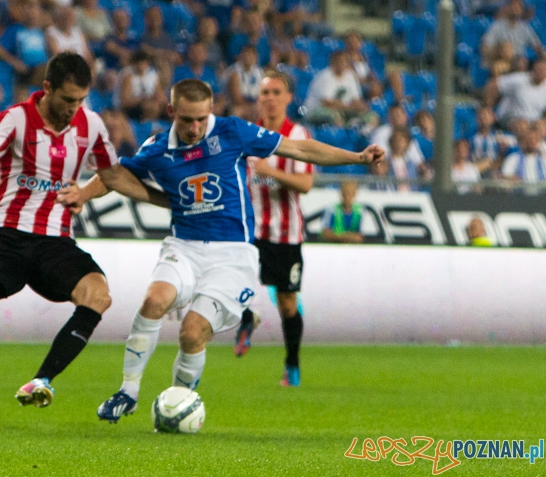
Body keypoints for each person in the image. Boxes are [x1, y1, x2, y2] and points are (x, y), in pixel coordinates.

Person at [58, 78, 384, 423]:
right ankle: (128, 391)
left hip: (232, 254)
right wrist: (82, 193)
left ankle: (178, 403)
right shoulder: (156, 148)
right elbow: (114, 175)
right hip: (184, 245)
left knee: (192, 332)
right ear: (171, 112)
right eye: (186, 120)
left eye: (201, 118)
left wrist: (358, 157)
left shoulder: (232, 132)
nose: (195, 128)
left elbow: (299, 150)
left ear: (211, 110)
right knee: (154, 301)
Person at [0, 52, 169, 428]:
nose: (73, 108)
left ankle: (42, 380)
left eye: (80, 100)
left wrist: (165, 201)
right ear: (47, 89)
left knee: (98, 295)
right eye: (67, 100)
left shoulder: (90, 126)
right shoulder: (14, 119)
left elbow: (113, 176)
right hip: (4, 240)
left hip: (54, 243)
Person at [232, 71, 314, 392]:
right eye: (264, 92)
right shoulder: (249, 135)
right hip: (251, 233)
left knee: (287, 303)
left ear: (288, 97)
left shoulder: (297, 136)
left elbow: (306, 184)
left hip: (285, 234)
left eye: (276, 91)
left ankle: (292, 363)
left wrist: (271, 172)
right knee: (234, 283)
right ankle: (247, 319)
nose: (269, 97)